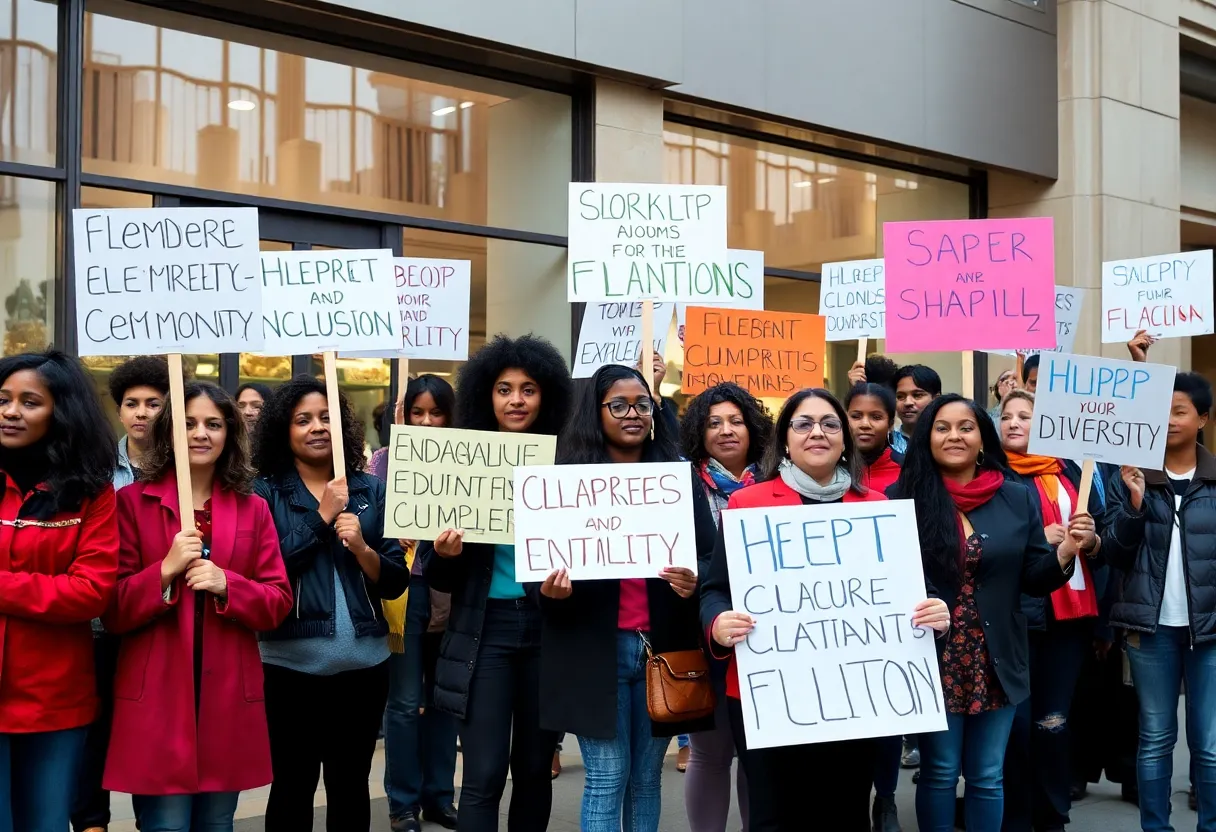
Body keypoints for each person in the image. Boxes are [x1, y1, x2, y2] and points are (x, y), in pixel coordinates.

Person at [701, 388, 950, 831]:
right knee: (773, 816)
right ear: (787, 438)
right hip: (769, 694)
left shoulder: (878, 508)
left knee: (845, 811)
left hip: (857, 697)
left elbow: (912, 592)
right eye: (804, 423)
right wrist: (718, 623)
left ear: (844, 438)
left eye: (830, 423)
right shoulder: (748, 504)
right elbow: (715, 591)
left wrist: (936, 613)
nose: (818, 432)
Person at [102, 382, 292, 830]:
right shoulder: (130, 503)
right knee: (165, 825)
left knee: (217, 824)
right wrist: (164, 570)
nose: (200, 433)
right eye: (187, 423)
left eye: (213, 424)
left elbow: (278, 601)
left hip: (226, 692)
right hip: (158, 693)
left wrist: (229, 584)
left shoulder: (254, 508)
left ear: (230, 433)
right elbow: (112, 609)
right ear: (169, 431)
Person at [887, 394, 1078, 832]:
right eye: (942, 427)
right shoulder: (900, 497)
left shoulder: (1015, 496)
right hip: (931, 658)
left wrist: (1064, 552)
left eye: (965, 427)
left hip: (998, 658)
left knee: (988, 776)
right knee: (939, 771)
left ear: (981, 437)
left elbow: (1033, 577)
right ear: (927, 437)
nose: (954, 435)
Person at [538, 364, 716, 832]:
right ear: (595, 413)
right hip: (593, 650)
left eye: (642, 404)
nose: (632, 414)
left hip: (664, 648)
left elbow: (710, 555)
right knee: (606, 775)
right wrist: (550, 591)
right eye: (618, 405)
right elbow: (537, 572)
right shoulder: (564, 481)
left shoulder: (677, 478)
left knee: (645, 778)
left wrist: (695, 581)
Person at [421, 334, 573, 832]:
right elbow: (437, 571)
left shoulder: (568, 462)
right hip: (483, 634)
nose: (516, 399)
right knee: (483, 774)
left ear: (545, 395)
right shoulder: (460, 459)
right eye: (504, 388)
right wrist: (445, 552)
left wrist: (566, 588)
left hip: (547, 631)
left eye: (528, 389)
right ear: (486, 394)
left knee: (534, 771)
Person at [253, 376, 408, 832]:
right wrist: (322, 517)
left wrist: (362, 548)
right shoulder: (265, 493)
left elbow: (395, 581)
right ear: (284, 429)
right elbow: (268, 571)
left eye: (326, 418)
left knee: (350, 787)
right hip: (289, 669)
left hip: (364, 669)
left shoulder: (370, 490)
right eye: (303, 420)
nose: (317, 427)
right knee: (292, 787)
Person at [0, 351, 119, 832]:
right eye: (2, 399)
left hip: (54, 697)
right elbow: (63, 589)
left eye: (30, 402)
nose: (11, 411)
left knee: (45, 823)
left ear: (61, 413)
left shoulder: (93, 493)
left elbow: (90, 593)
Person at [1103, 371, 1216, 832]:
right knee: (1154, 737)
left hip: (1209, 631)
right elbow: (1112, 552)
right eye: (1160, 411)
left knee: (1208, 743)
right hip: (1149, 630)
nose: (1167, 421)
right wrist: (1132, 505)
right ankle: (1156, 827)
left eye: (1179, 411)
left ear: (1202, 418)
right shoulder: (1130, 476)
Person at [997, 389, 1104, 832]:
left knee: (1052, 723)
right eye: (1008, 416)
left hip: (1067, 618)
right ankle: (1012, 817)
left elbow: (1102, 541)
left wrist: (1090, 538)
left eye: (1027, 416)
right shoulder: (991, 475)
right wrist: (1039, 537)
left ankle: (1053, 816)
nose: (1016, 423)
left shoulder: (1072, 472)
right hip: (1014, 617)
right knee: (1015, 728)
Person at [73, 355, 171, 832]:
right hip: (98, 620)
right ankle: (92, 821)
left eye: (154, 403)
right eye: (131, 403)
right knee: (94, 730)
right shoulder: (94, 469)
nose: (141, 412)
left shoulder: (185, 472)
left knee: (145, 731)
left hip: (156, 619)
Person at [678, 381, 770, 832]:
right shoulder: (678, 484)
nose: (726, 430)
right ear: (699, 431)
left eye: (736, 421)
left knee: (759, 755)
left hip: (766, 637)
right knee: (711, 753)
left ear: (753, 428)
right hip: (702, 633)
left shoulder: (777, 481)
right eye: (714, 423)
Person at [369, 374, 460, 832]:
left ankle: (439, 798)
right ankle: (402, 803)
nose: (426, 421)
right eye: (417, 412)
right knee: (404, 703)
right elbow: (364, 523)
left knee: (444, 701)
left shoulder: (467, 460)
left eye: (436, 412)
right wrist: (389, 527)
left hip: (452, 591)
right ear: (401, 417)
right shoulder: (382, 462)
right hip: (403, 593)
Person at [842, 380, 906, 831]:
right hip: (827, 614)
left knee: (885, 717)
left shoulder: (907, 473)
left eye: (876, 416)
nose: (865, 423)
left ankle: (885, 799)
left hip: (884, 610)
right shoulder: (823, 465)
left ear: (891, 422)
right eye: (856, 415)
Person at [890, 364, 942, 455]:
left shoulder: (946, 441)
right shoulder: (886, 443)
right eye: (900, 396)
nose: (908, 403)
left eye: (917, 395)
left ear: (936, 399)